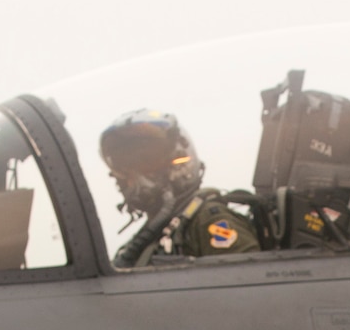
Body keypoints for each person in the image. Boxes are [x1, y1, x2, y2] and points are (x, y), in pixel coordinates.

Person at [98, 109, 260, 265]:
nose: (131, 177)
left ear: (179, 161)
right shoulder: (152, 236)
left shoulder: (209, 220)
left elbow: (251, 284)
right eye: (124, 167)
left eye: (144, 161)